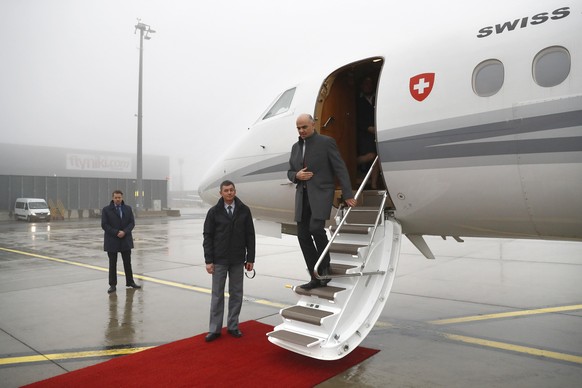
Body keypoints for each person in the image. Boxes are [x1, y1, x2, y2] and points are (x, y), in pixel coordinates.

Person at [287, 113, 357, 290]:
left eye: (304, 127)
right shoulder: (295, 147)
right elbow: (289, 172)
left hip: (321, 194)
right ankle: (314, 275)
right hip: (302, 196)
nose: (301, 130)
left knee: (316, 229)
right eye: (299, 128)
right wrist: (297, 175)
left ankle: (324, 266)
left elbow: (339, 167)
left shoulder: (326, 142)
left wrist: (348, 194)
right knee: (302, 235)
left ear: (313, 125)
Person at [203, 180, 255, 342]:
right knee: (217, 295)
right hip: (219, 260)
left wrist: (250, 258)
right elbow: (208, 237)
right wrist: (208, 260)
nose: (229, 193)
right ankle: (215, 329)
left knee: (236, 294)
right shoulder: (213, 212)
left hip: (238, 260)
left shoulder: (244, 211)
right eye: (226, 190)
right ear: (221, 193)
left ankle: (233, 326)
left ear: (235, 191)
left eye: (231, 190)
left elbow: (250, 236)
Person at [101, 190, 141, 294]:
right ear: (113, 198)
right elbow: (104, 225)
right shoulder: (106, 210)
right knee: (112, 264)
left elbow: (132, 223)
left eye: (119, 197)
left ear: (122, 198)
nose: (118, 199)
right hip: (112, 240)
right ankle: (112, 285)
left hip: (125, 239)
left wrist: (125, 232)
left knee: (127, 263)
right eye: (116, 197)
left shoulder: (128, 209)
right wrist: (116, 232)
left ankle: (130, 282)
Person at [356, 75, 380, 189]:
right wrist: (368, 128)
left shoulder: (378, 98)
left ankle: (374, 184)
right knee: (371, 155)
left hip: (378, 132)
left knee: (377, 158)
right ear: (361, 86)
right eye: (366, 83)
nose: (368, 86)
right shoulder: (358, 101)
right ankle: (349, 164)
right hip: (365, 135)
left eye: (370, 84)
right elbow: (357, 119)